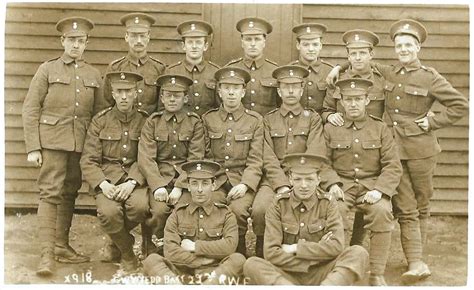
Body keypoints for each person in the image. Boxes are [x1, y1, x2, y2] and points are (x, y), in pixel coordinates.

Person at [326, 19, 469, 284]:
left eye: (408, 45)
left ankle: (416, 259)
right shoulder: (389, 72)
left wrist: (433, 121)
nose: (403, 50)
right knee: (406, 206)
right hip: (395, 150)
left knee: (422, 204)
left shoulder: (430, 77)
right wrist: (339, 66)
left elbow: (461, 106)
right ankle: (414, 260)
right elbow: (361, 62)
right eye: (399, 45)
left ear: (417, 48)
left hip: (422, 151)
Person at [22, 16, 100, 276]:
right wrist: (33, 147)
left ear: (86, 43)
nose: (76, 45)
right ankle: (47, 255)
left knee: (70, 192)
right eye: (72, 40)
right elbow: (31, 108)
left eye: (81, 41)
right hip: (52, 144)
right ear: (62, 41)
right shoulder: (47, 69)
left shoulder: (93, 74)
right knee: (50, 193)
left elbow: (99, 115)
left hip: (81, 144)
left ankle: (61, 246)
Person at [251, 65, 338, 258]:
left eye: (295, 87)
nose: (290, 91)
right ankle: (263, 250)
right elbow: (267, 156)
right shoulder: (268, 119)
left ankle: (305, 249)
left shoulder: (313, 119)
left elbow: (315, 152)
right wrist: (281, 184)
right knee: (260, 209)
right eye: (285, 87)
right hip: (274, 180)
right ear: (279, 91)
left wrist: (299, 179)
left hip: (304, 178)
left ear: (301, 90)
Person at [243, 153, 368, 285]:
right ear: (290, 179)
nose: (303, 185)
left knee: (358, 253)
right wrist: (318, 252)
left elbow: (336, 246)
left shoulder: (328, 203)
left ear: (318, 179)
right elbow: (271, 253)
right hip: (286, 274)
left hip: (323, 272)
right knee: (251, 264)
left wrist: (295, 248)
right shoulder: (278, 204)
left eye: (309, 179)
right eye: (298, 179)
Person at [324, 78, 402, 286]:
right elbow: (322, 162)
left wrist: (380, 190)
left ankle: (376, 273)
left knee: (382, 211)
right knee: (334, 210)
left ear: (367, 100)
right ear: (341, 100)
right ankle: (338, 269)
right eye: (348, 99)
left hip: (372, 186)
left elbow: (393, 165)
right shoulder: (331, 128)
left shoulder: (379, 128)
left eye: (358, 99)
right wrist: (332, 184)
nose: (353, 104)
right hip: (342, 185)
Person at [80, 71, 149, 273]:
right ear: (113, 93)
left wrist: (132, 182)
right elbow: (89, 159)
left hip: (135, 180)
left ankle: (115, 242)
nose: (125, 96)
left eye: (128, 91)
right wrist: (103, 184)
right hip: (107, 180)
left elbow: (146, 157)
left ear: (136, 93)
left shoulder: (146, 121)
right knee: (108, 212)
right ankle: (127, 253)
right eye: (120, 91)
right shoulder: (100, 121)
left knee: (139, 207)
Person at [322, 29, 385, 248]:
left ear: (371, 54)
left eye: (362, 53)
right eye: (353, 54)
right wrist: (330, 115)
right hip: (343, 139)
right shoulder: (339, 79)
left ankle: (359, 247)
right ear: (348, 56)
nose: (357, 57)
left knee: (377, 209)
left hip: (374, 141)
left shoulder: (382, 78)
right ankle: (341, 254)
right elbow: (326, 108)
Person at [143, 160, 246, 285]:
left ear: (213, 186)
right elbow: (170, 252)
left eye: (205, 183)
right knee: (151, 260)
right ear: (188, 186)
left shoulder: (225, 214)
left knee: (238, 259)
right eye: (195, 184)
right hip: (181, 272)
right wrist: (203, 260)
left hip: (214, 272)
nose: (200, 189)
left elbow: (229, 247)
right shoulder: (177, 214)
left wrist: (194, 247)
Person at [138, 74, 205, 255]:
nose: (173, 99)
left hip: (184, 181)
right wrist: (157, 186)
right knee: (159, 210)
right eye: (168, 95)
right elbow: (146, 158)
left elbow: (195, 158)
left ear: (185, 98)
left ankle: (181, 248)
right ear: (162, 98)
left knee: (186, 209)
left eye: (177, 95)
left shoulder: (194, 122)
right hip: (159, 178)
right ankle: (154, 244)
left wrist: (180, 186)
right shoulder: (153, 122)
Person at [201, 66, 264, 255]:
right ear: (219, 91)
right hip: (216, 181)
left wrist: (245, 184)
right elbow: (204, 156)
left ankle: (239, 251)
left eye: (235, 88)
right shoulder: (208, 119)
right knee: (209, 205)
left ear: (243, 91)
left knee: (238, 209)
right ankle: (213, 251)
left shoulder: (254, 120)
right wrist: (210, 182)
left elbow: (255, 159)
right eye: (226, 87)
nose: (230, 92)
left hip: (241, 180)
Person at [98, 13, 166, 115]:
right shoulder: (115, 68)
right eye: (134, 36)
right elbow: (106, 105)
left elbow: (162, 107)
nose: (138, 41)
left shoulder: (159, 69)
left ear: (148, 37)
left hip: (150, 127)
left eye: (142, 36)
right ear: (126, 37)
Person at [164, 20, 220, 116]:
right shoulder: (172, 71)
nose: (194, 46)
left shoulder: (215, 72)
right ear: (183, 46)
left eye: (198, 42)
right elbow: (164, 108)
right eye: (190, 42)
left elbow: (220, 107)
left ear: (205, 46)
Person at [225, 17, 278, 116]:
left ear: (264, 42)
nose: (253, 44)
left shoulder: (275, 71)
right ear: (242, 42)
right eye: (248, 39)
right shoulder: (231, 69)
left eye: (257, 39)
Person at [289, 23, 333, 114]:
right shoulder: (290, 70)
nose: (311, 49)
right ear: (298, 45)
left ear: (320, 46)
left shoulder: (330, 71)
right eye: (306, 45)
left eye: (315, 44)